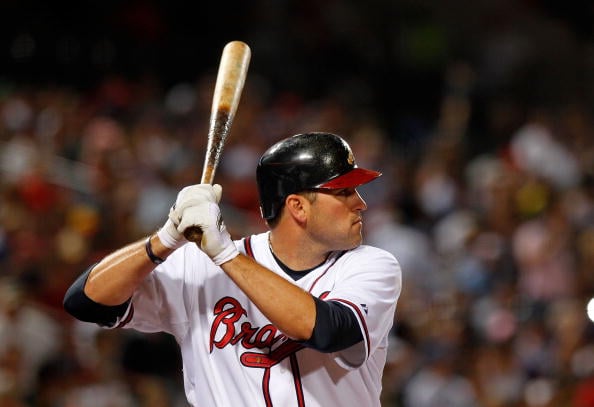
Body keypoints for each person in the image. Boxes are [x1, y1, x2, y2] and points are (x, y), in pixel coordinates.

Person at [64, 132, 402, 407]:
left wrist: (224, 253)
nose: (361, 203)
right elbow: (85, 302)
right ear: (297, 206)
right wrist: (165, 238)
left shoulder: (371, 266)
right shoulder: (198, 268)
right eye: (343, 192)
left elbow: (327, 330)